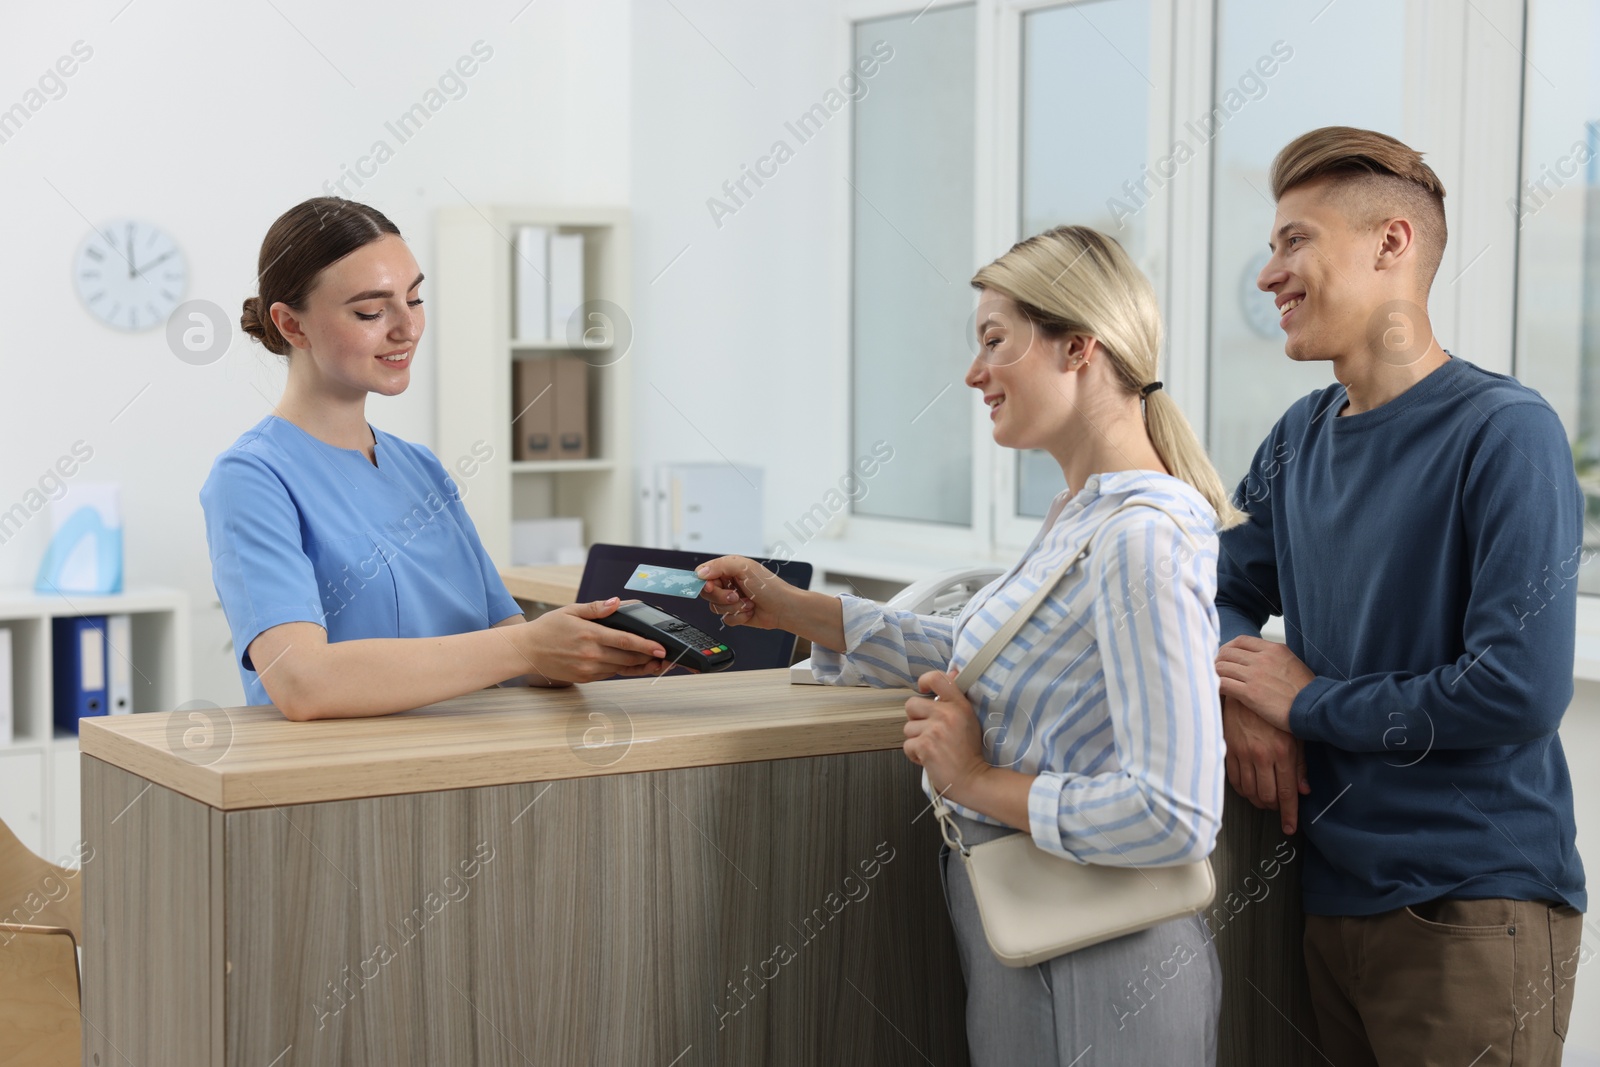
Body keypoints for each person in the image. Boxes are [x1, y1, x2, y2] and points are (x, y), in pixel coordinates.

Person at [696, 226, 1240, 1065]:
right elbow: (982, 648)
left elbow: (1174, 814)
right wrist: (793, 609)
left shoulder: (1142, 538)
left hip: (1106, 953)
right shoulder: (1079, 517)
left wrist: (978, 779)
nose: (974, 372)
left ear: (1079, 347)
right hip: (1031, 928)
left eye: (994, 341)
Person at [1214, 126, 1585, 1065]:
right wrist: (1239, 697)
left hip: (1469, 909)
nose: (1270, 275)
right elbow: (1213, 589)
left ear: (1391, 243)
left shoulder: (1507, 432)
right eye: (1271, 247)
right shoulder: (1297, 436)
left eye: (1295, 241)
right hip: (1328, 898)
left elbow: (1518, 689)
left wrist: (1306, 702)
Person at [201, 197, 669, 720]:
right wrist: (527, 648)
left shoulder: (419, 469)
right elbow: (302, 681)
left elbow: (509, 645)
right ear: (292, 325)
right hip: (341, 785)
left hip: (467, 770)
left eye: (416, 299)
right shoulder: (251, 478)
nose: (407, 328)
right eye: (371, 311)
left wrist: (599, 645)